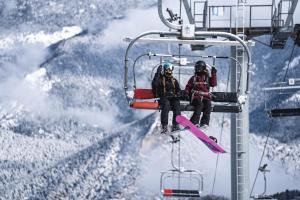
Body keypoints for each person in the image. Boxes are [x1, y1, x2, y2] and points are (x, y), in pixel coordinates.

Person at [184, 60, 217, 128]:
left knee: (208, 105)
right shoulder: (194, 78)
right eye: (197, 67)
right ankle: (194, 122)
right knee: (200, 104)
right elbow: (188, 86)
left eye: (199, 67)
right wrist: (186, 93)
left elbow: (213, 84)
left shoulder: (207, 78)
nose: (197, 69)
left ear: (203, 68)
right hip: (196, 97)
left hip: (205, 97)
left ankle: (204, 123)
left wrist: (213, 74)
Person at [152, 62, 181, 133]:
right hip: (163, 97)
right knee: (166, 105)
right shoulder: (160, 79)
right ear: (164, 70)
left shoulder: (173, 80)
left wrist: (178, 94)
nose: (169, 71)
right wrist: (157, 74)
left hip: (172, 97)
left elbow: (178, 90)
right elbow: (154, 84)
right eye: (167, 70)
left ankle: (175, 125)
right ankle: (164, 126)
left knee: (177, 104)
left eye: (170, 70)